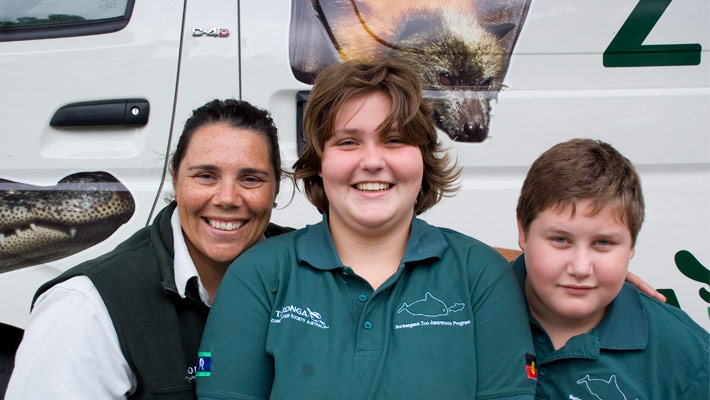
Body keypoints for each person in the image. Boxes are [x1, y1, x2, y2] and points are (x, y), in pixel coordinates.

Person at [196, 60, 537, 399]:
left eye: (394, 140)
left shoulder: (480, 274)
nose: (373, 161)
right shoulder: (258, 276)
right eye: (347, 142)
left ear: (423, 158)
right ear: (319, 162)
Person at [6, 99, 293, 399]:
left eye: (251, 179)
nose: (227, 198)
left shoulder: (315, 272)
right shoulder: (85, 308)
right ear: (175, 177)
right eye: (206, 176)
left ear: (275, 188)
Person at [512, 139, 709, 399]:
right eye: (560, 240)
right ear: (523, 232)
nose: (580, 268)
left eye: (603, 243)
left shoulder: (687, 353)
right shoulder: (472, 310)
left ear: (632, 242)